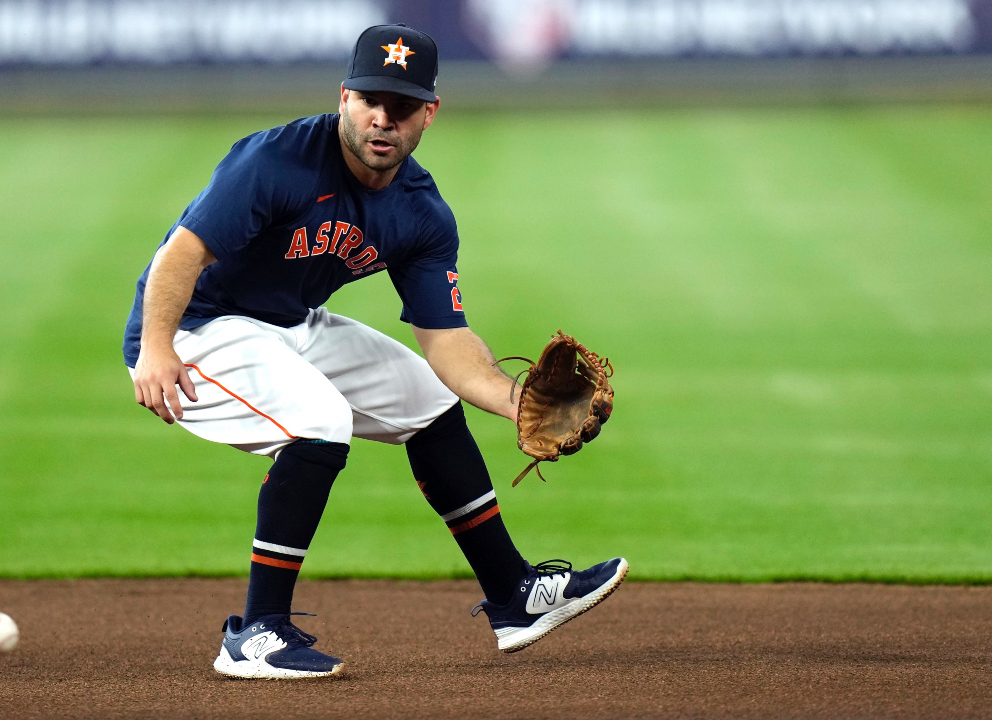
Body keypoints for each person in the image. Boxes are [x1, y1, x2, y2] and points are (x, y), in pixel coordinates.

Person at [124, 24, 627, 680]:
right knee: (319, 422)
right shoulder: (274, 162)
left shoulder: (421, 212)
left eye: (402, 106)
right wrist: (157, 348)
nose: (382, 118)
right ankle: (256, 632)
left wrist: (514, 403)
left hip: (290, 323)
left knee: (428, 399)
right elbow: (181, 253)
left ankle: (515, 596)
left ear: (429, 114)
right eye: (370, 100)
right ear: (344, 98)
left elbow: (446, 340)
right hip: (197, 328)